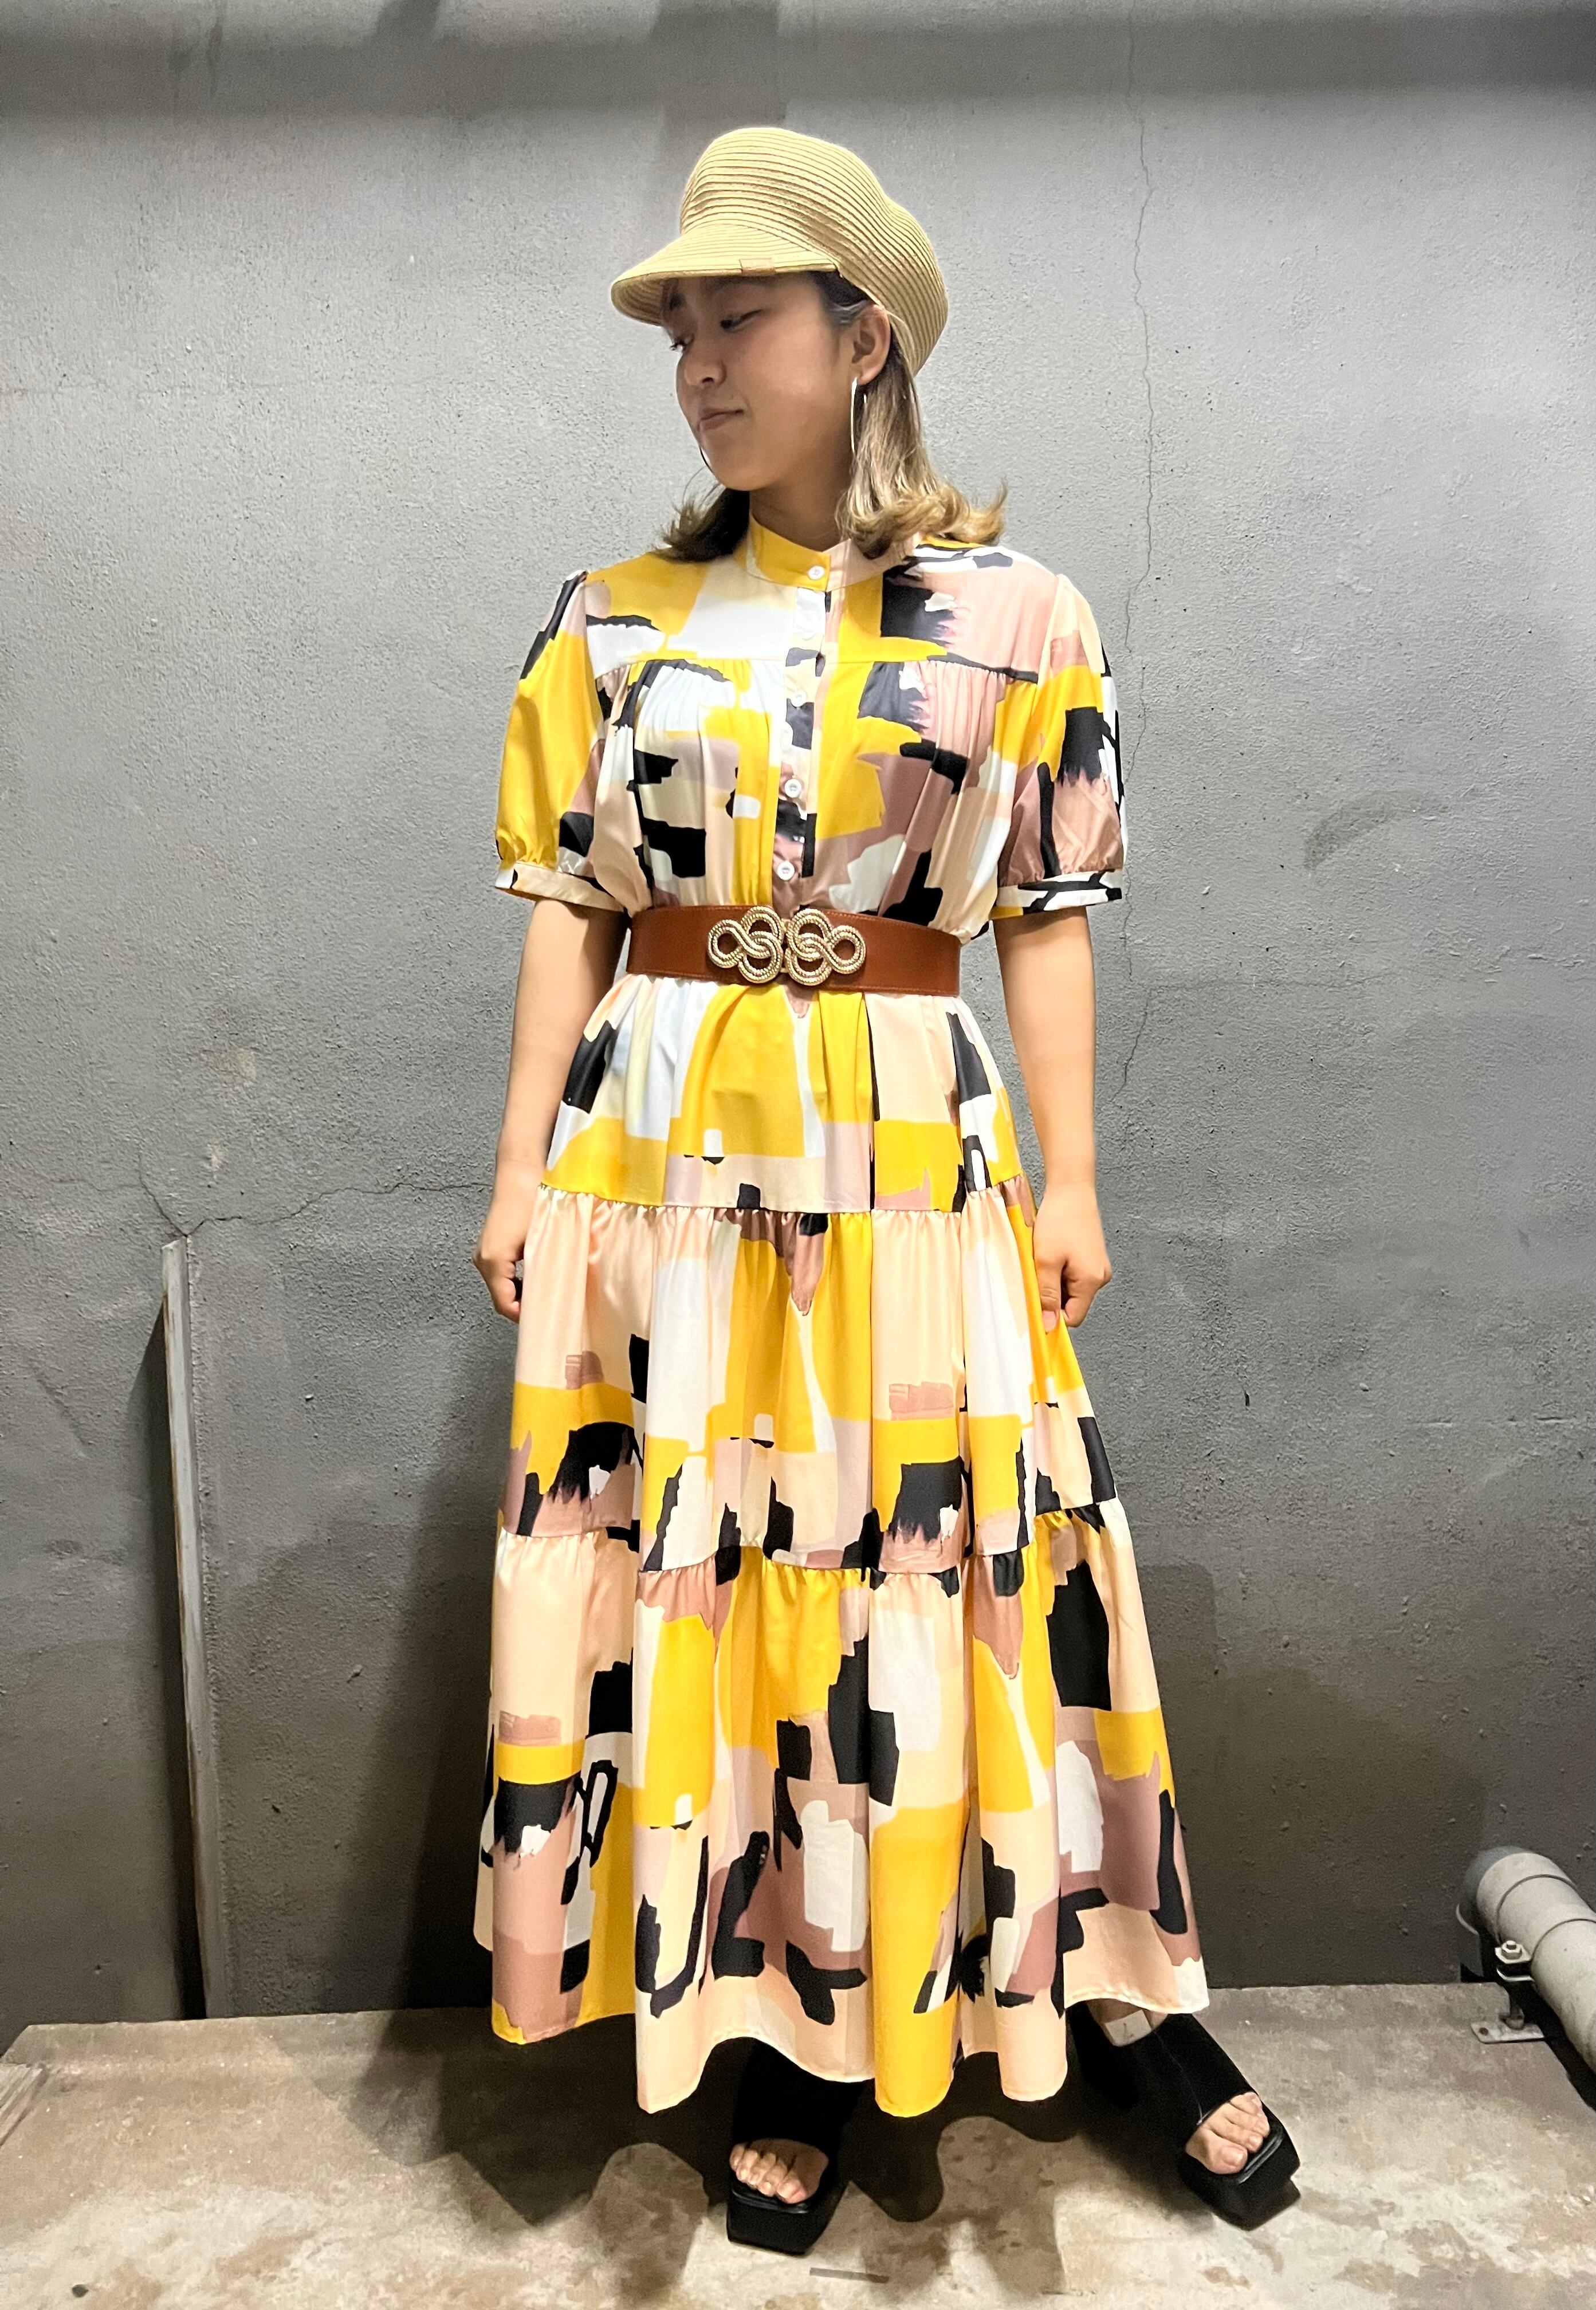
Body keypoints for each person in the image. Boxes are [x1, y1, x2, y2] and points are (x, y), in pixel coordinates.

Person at [471, 125, 1299, 2252]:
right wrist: (518, 1168)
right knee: (720, 1578)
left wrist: (1075, 1181)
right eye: (676, 329)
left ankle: (1116, 1998)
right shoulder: (612, 620)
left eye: (735, 318)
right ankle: (787, 2035)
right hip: (661, 1155)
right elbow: (569, 901)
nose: (694, 364)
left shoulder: (1018, 618)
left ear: (860, 341)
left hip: (909, 1145)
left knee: (958, 1570)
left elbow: (1045, 913)